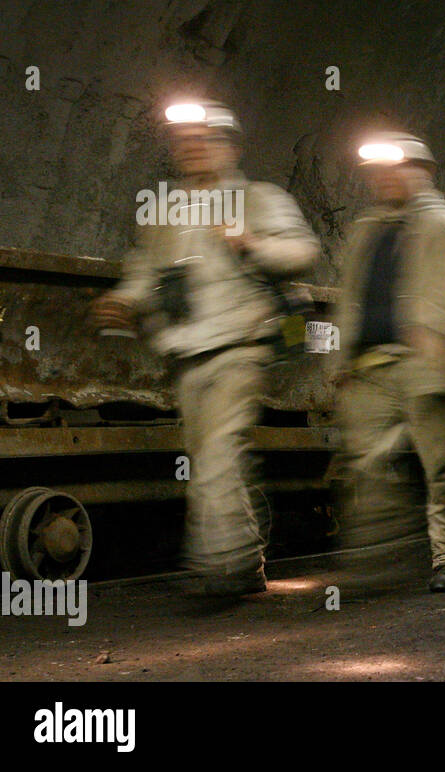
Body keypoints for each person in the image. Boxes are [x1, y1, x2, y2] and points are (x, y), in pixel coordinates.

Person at [90, 100, 320, 596]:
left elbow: (303, 251)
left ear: (230, 147)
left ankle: (219, 567)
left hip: (243, 344)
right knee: (211, 459)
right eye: (185, 140)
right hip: (188, 351)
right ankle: (247, 560)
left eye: (205, 138)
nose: (193, 148)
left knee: (217, 454)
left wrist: (253, 243)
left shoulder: (259, 198)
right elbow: (144, 271)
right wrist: (124, 300)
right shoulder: (164, 208)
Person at [332, 132, 445, 592]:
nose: (385, 177)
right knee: (364, 462)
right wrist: (343, 358)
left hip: (428, 363)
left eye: (397, 167)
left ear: (422, 172)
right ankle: (377, 554)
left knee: (443, 466)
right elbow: (351, 297)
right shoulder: (365, 230)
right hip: (370, 367)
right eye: (378, 170)